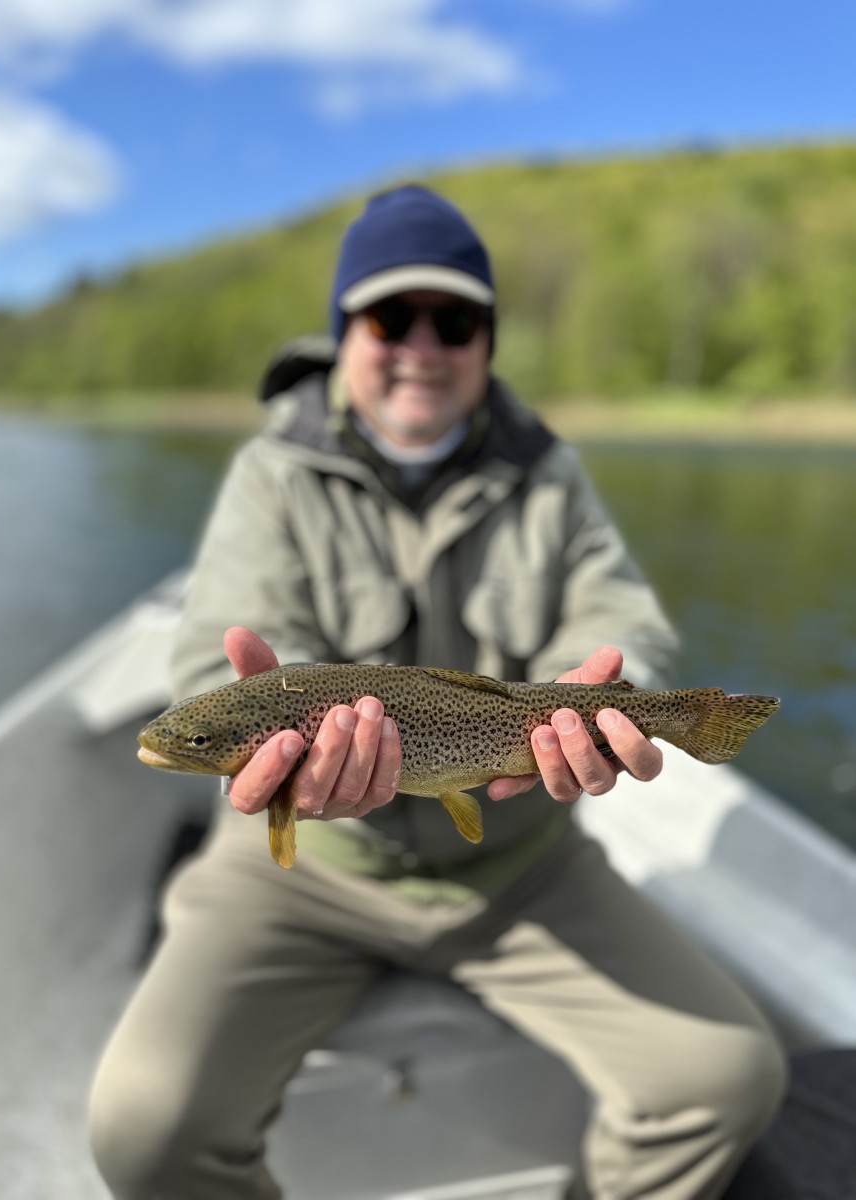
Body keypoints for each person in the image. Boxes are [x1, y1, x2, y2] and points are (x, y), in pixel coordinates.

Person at [89, 184, 786, 1199]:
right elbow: (213, 664)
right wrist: (250, 737)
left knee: (727, 1079)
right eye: (388, 317)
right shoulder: (272, 475)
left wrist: (621, 687)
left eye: (453, 320)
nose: (420, 344)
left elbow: (618, 616)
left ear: (486, 341)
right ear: (344, 337)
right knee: (144, 1128)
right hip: (302, 872)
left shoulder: (549, 479)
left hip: (521, 864)